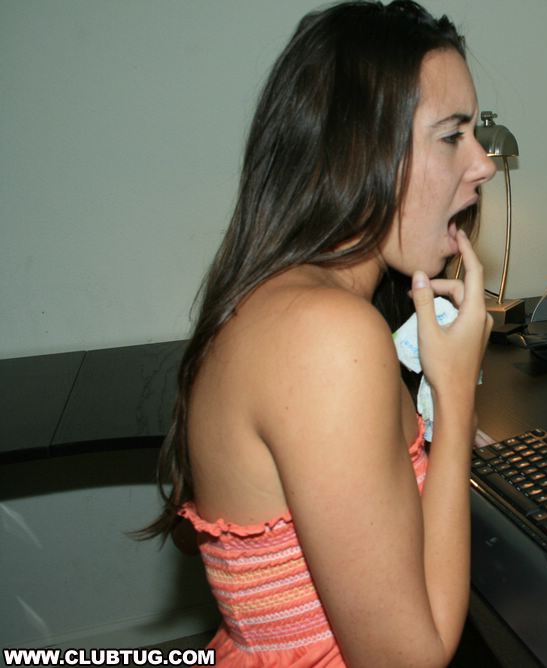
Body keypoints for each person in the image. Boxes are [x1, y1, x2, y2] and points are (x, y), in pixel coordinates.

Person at [139, 2, 496, 666]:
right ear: (358, 151)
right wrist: (454, 403)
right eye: (452, 136)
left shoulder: (279, 304)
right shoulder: (327, 338)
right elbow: (406, 661)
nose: (483, 163)